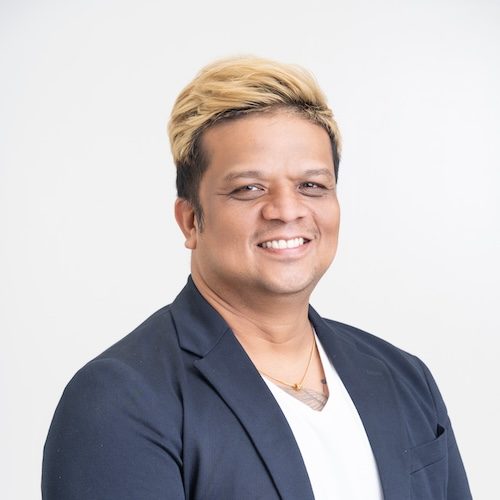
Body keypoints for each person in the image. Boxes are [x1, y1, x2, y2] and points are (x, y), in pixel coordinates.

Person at [42, 57, 472, 500]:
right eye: (249, 188)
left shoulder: (404, 377)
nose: (287, 210)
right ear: (190, 221)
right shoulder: (119, 400)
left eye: (312, 186)